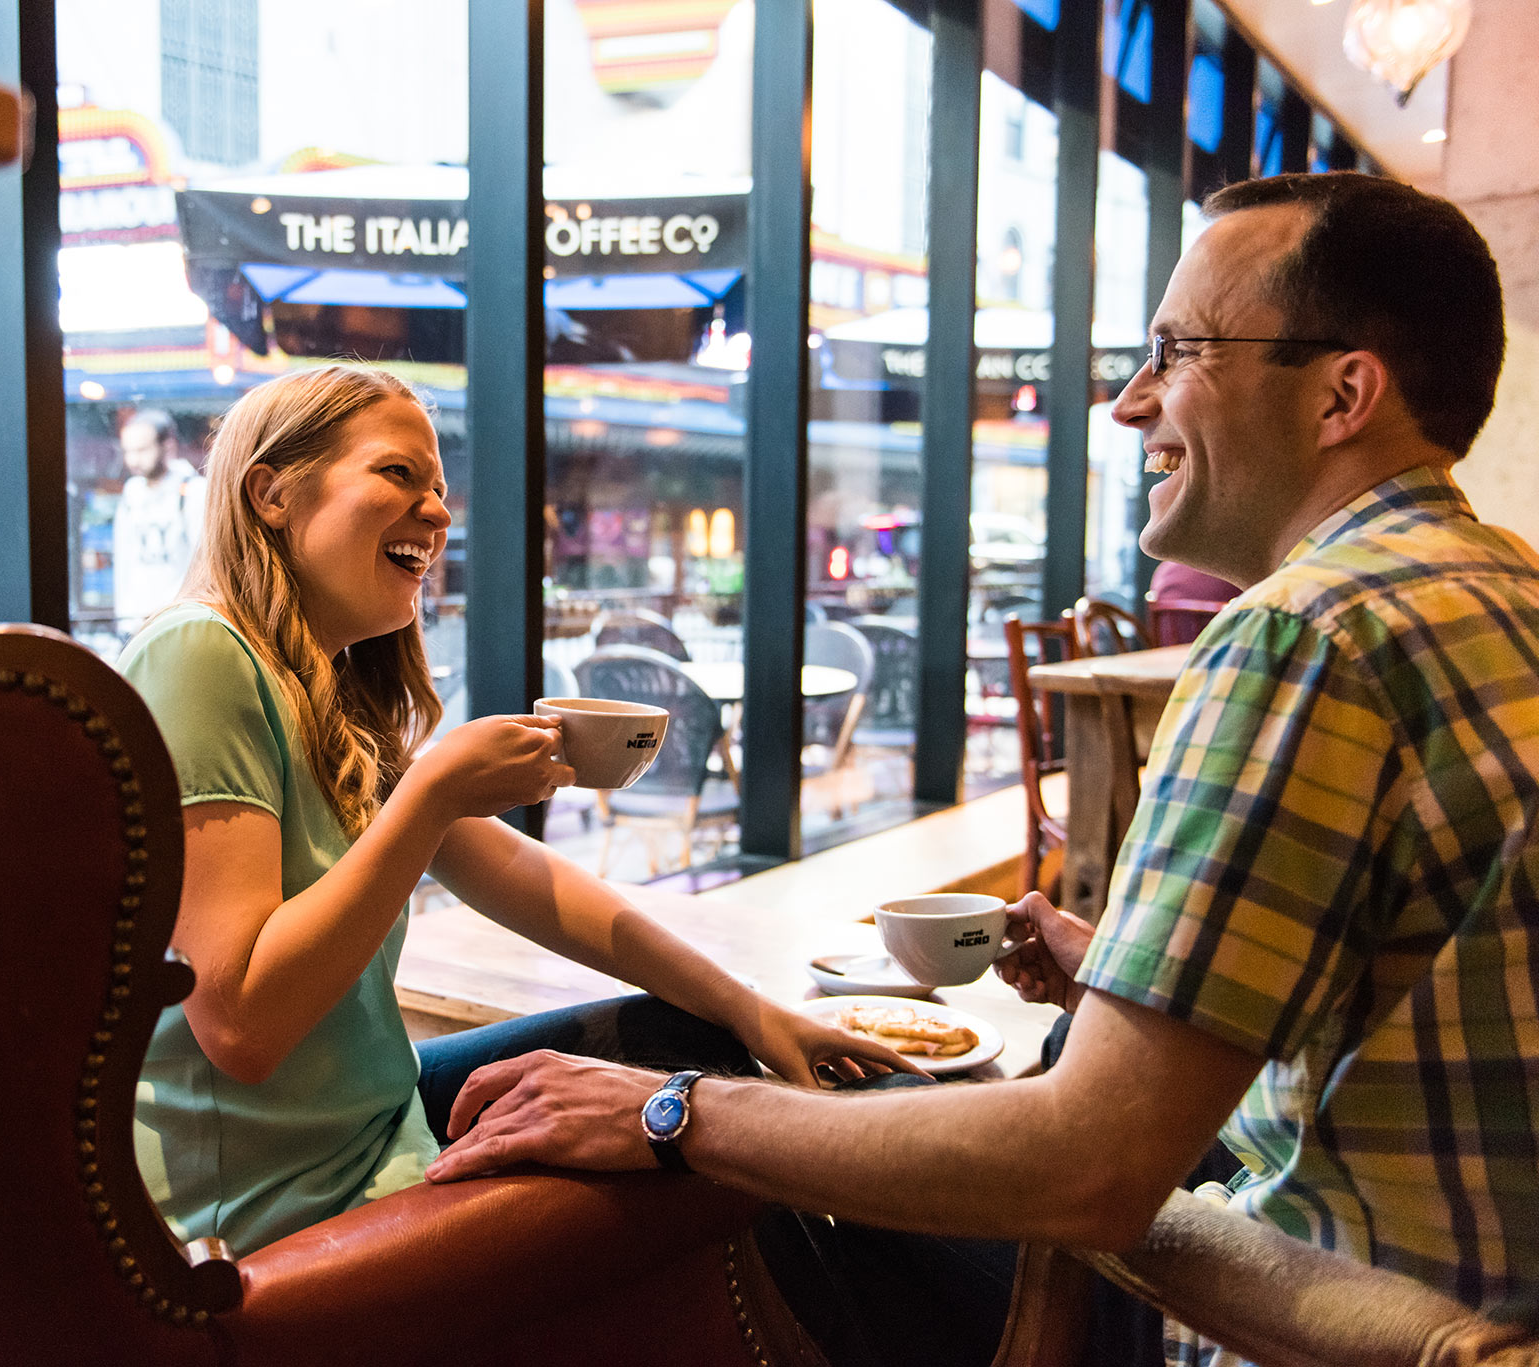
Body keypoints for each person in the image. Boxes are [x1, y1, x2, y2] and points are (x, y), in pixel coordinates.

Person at [424, 171, 1538, 1365]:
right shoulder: (1502, 590)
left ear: (1342, 392)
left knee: (718, 1183)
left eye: (1174, 350)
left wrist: (677, 1111)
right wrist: (1133, 985)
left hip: (1325, 1317)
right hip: (1482, 1275)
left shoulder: (1304, 637)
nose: (1128, 402)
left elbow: (1087, 1170)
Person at [115, 364, 915, 1256]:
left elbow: (529, 879)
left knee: (692, 1037)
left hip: (380, 1130)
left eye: (440, 488)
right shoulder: (200, 653)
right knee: (695, 1154)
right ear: (270, 492)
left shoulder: (322, 686)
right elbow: (240, 1027)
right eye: (398, 474)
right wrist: (429, 795)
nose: (438, 512)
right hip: (274, 1209)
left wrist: (755, 1008)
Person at [111, 408, 206, 637]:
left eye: (142, 450)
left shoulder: (194, 491)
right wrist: (123, 621)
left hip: (178, 624)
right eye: (128, 451)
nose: (133, 459)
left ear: (168, 446)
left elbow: (204, 562)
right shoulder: (131, 494)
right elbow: (124, 559)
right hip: (135, 624)